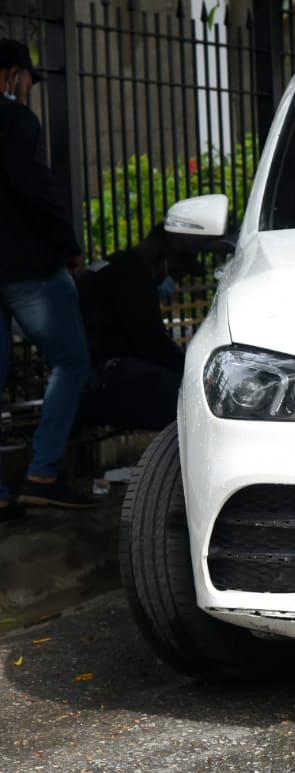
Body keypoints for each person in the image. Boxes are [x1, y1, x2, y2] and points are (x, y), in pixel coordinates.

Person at [0, 39, 94, 521]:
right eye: (28, 81)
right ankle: (42, 474)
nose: (29, 90)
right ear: (12, 75)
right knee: (72, 361)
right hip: (26, 266)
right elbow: (37, 189)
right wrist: (67, 247)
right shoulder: (15, 120)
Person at [76, 224, 198, 430]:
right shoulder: (132, 278)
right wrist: (192, 371)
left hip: (92, 375)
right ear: (160, 255)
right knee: (190, 400)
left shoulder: (117, 266)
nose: (173, 282)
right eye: (176, 274)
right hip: (103, 376)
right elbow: (153, 343)